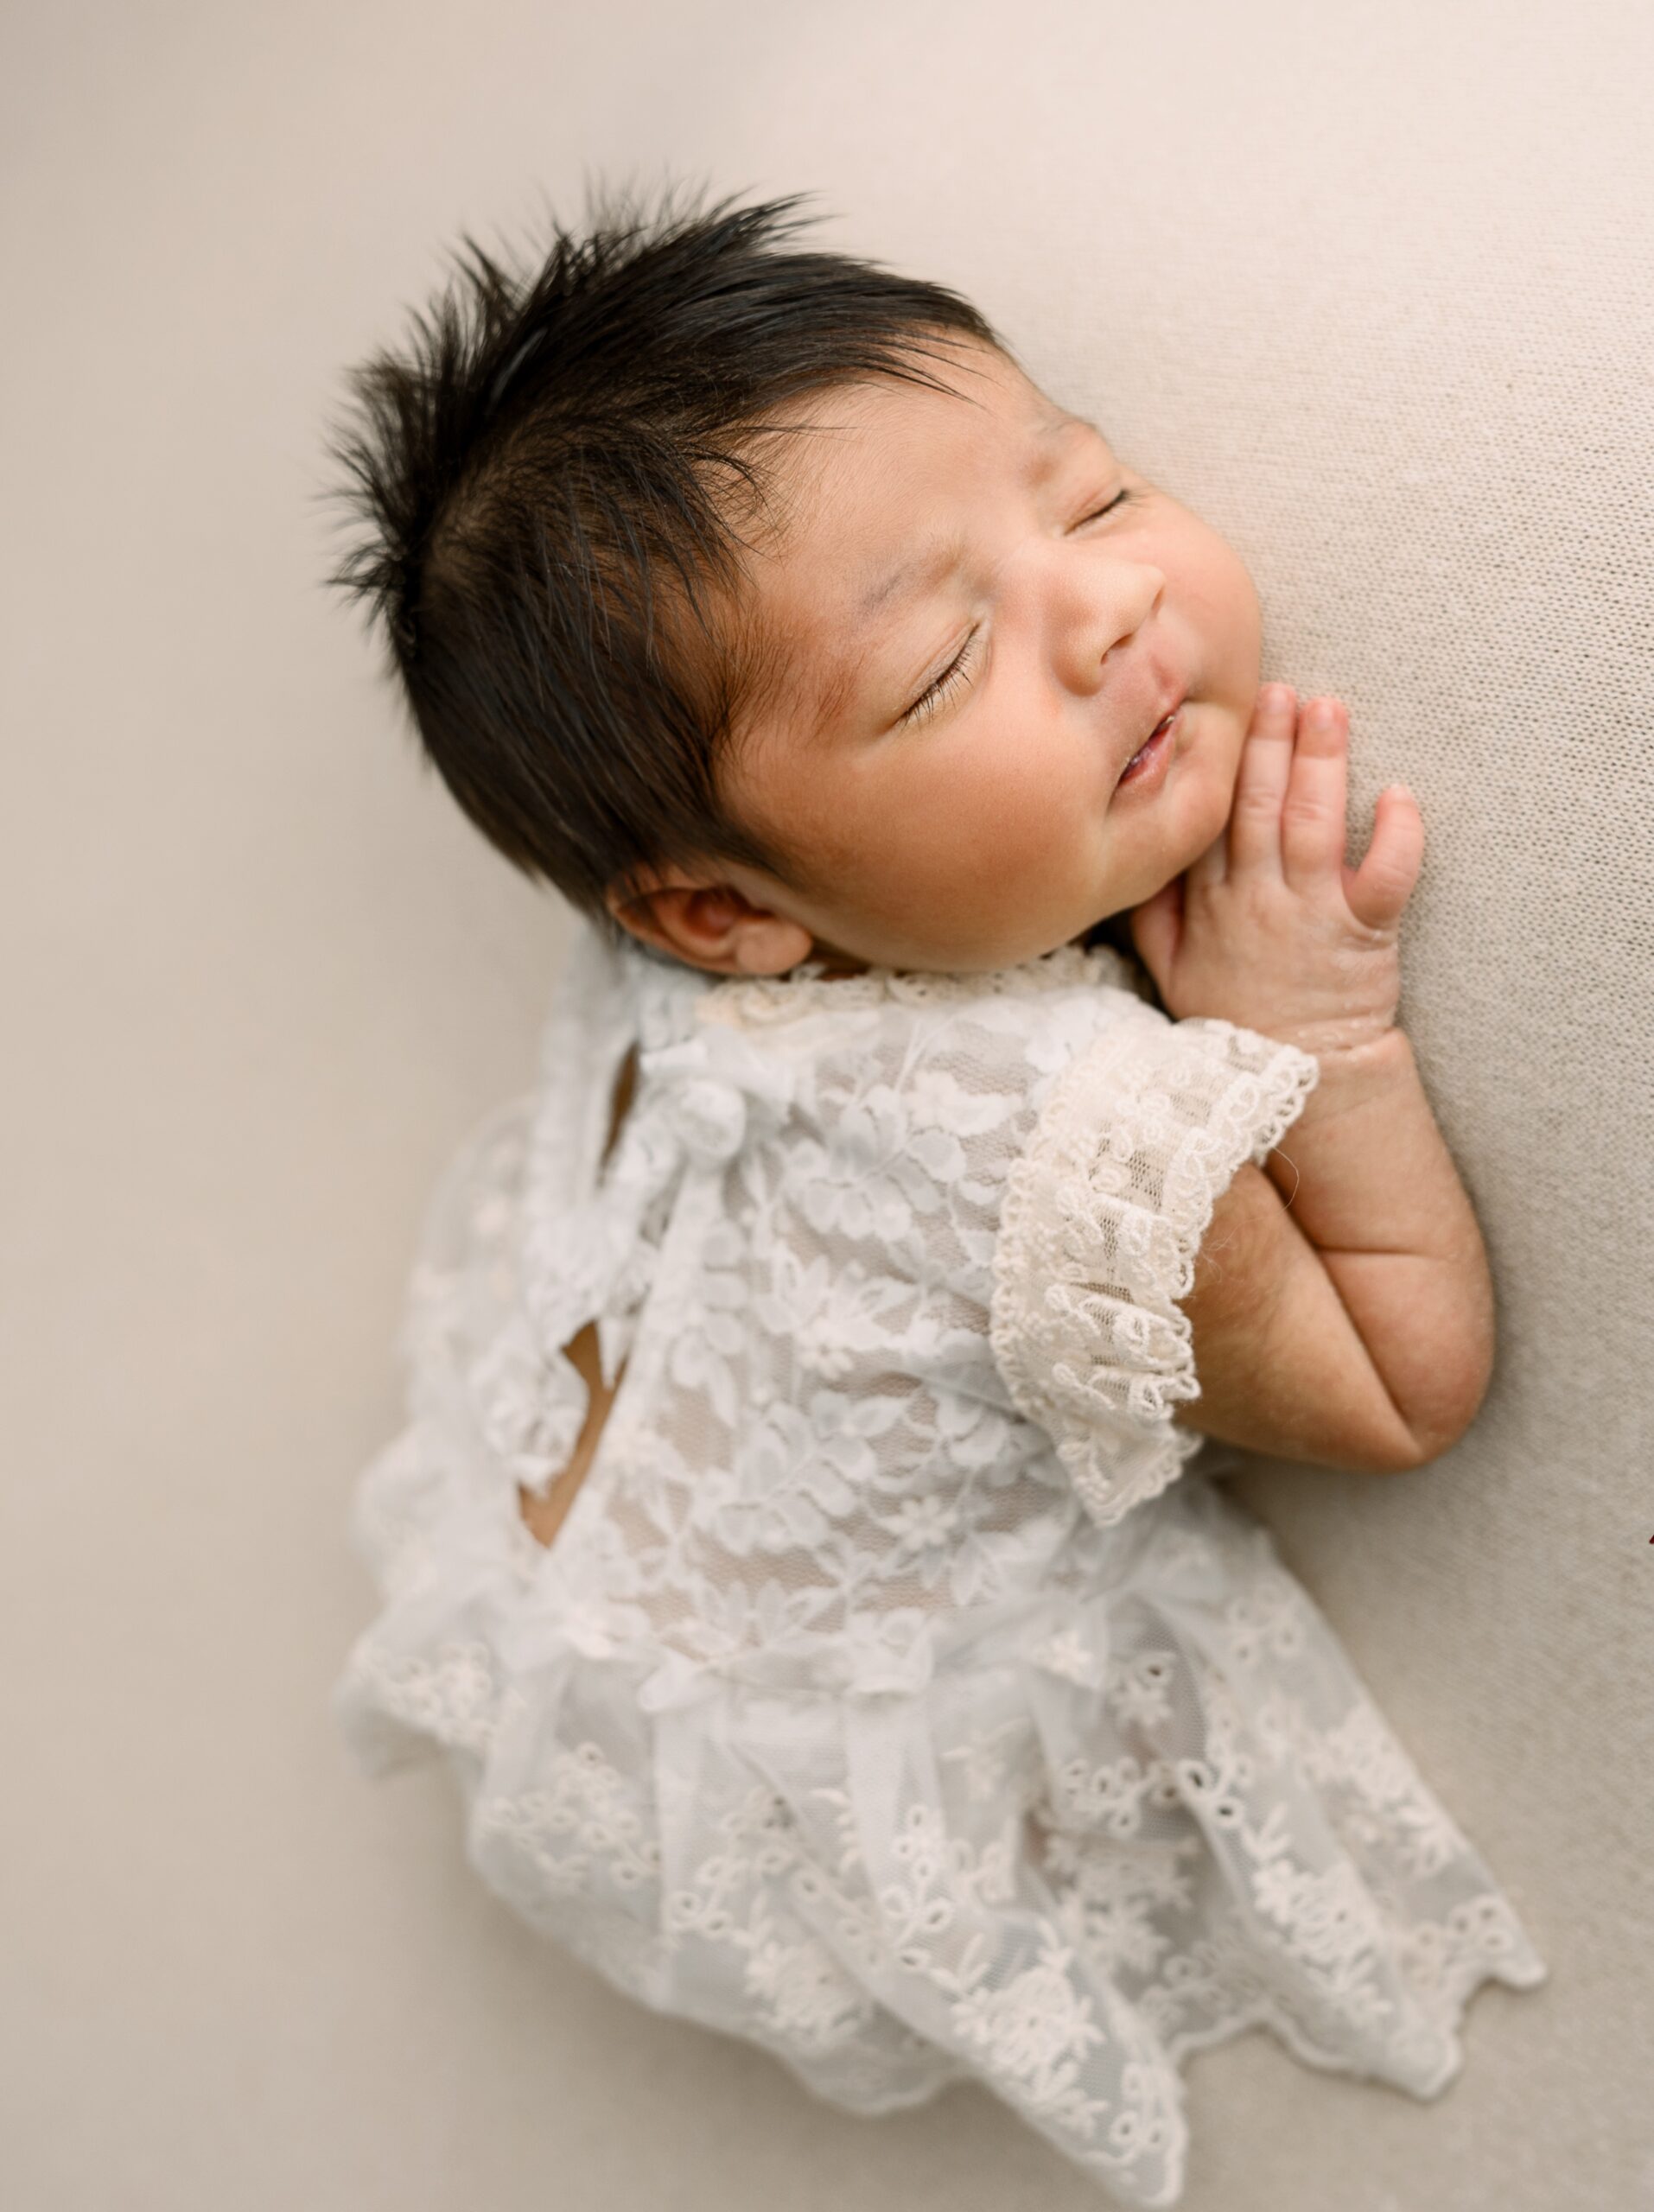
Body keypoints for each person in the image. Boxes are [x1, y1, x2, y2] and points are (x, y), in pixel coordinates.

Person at [321, 181, 1546, 2202]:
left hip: (575, 1521)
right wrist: (1308, 1040)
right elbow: (1401, 1384)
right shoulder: (1051, 1139)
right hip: (783, 1709)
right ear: (724, 911)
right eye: (945, 663)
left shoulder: (673, 931)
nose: (1111, 612)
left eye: (1089, 498)